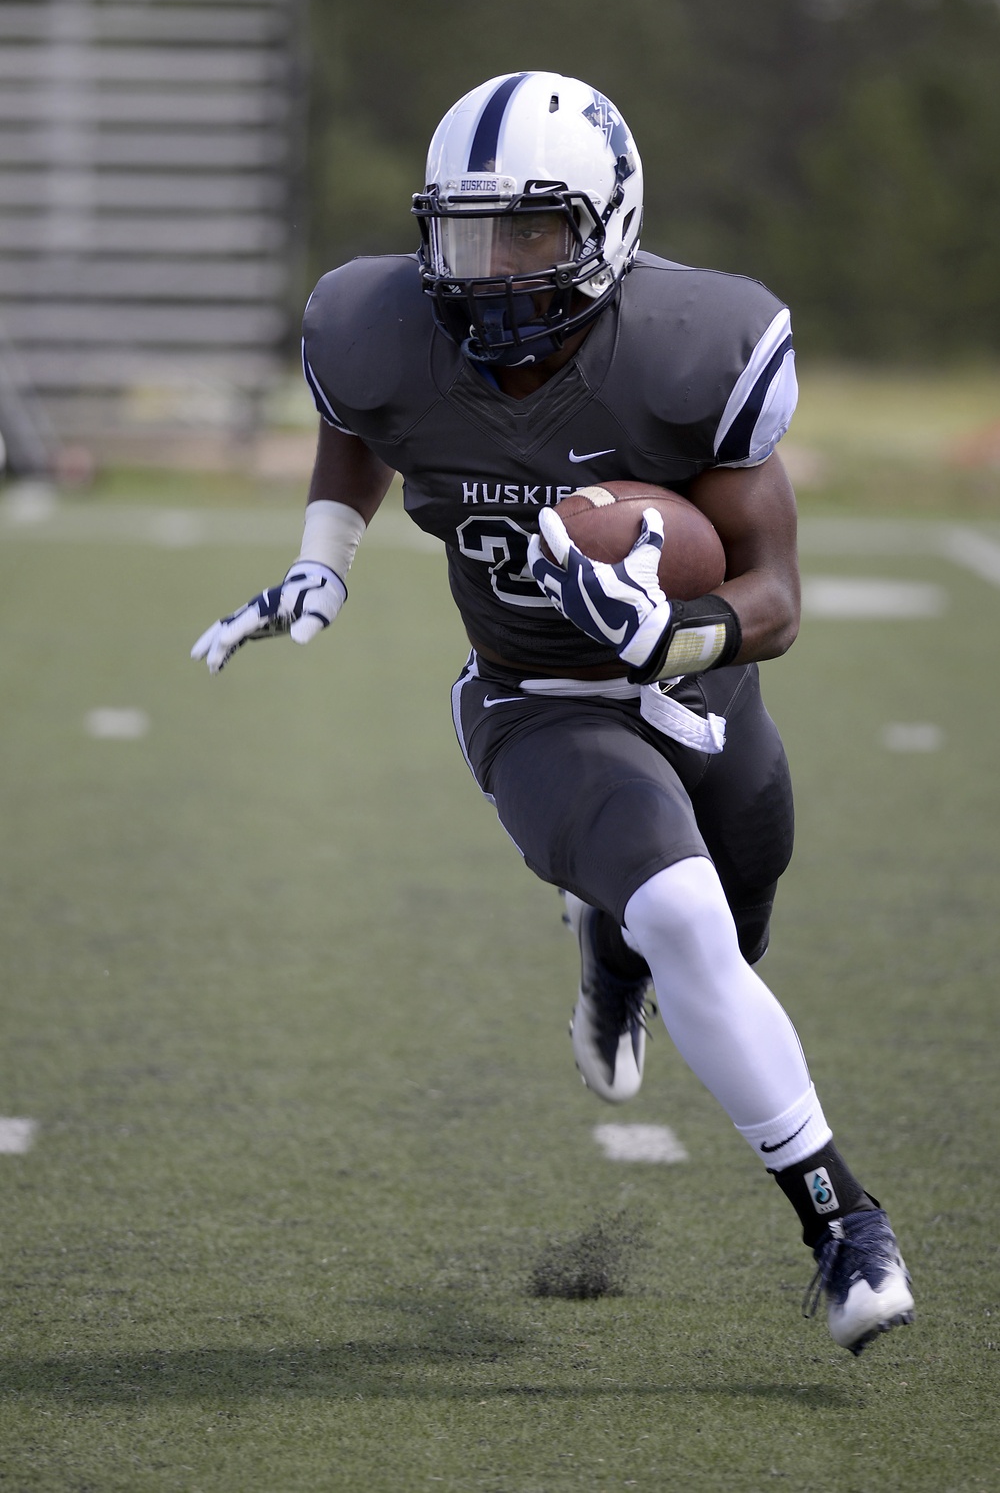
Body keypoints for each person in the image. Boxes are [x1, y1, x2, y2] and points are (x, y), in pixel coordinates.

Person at [192, 71, 914, 1354]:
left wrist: (674, 632)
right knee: (685, 912)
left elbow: (778, 597)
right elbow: (359, 417)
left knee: (729, 932)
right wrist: (323, 556)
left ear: (607, 224)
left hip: (704, 695)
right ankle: (841, 1225)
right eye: (463, 235)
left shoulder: (697, 346)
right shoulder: (380, 324)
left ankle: (606, 953)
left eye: (527, 232)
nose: (488, 270)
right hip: (533, 701)